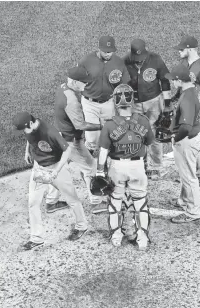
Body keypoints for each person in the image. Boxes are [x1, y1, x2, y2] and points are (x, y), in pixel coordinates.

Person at [13, 111, 88, 251]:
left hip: (56, 168)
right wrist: (27, 151)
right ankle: (36, 239)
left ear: (30, 123)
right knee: (33, 203)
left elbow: (67, 151)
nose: (24, 131)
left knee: (72, 198)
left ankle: (81, 226)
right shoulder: (30, 127)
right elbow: (29, 138)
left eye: (24, 128)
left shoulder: (49, 132)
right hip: (39, 169)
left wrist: (57, 170)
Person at [96, 84, 154, 250]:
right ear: (132, 100)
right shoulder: (143, 120)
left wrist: (100, 170)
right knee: (140, 202)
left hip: (117, 167)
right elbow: (149, 143)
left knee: (115, 201)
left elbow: (103, 151)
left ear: (115, 102)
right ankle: (142, 238)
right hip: (137, 166)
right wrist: (145, 162)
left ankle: (116, 235)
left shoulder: (109, 125)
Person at [78, 35, 130, 212]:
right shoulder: (86, 61)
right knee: (92, 144)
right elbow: (76, 81)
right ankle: (93, 191)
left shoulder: (117, 62)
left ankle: (107, 179)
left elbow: (125, 85)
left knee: (108, 141)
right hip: (90, 104)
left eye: (111, 51)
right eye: (106, 51)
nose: (108, 54)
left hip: (108, 103)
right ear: (98, 48)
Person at [45, 65, 106, 214]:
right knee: (91, 167)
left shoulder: (63, 88)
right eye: (83, 82)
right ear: (74, 82)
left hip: (58, 137)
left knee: (57, 171)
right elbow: (80, 125)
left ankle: (51, 202)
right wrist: (102, 126)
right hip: (70, 142)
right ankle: (96, 203)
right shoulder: (71, 100)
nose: (86, 85)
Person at [123, 39, 172, 180]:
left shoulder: (155, 59)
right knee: (136, 133)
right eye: (136, 59)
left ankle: (156, 167)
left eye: (141, 59)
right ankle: (140, 164)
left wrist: (167, 103)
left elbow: (165, 80)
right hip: (134, 103)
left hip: (154, 101)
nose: (138, 62)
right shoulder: (124, 61)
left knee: (154, 133)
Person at [173, 35, 200, 188]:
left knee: (194, 140)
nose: (179, 51)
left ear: (190, 49)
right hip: (187, 107)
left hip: (199, 109)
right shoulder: (184, 63)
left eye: (181, 49)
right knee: (194, 141)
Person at [165, 64, 200, 223]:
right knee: (186, 174)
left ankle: (192, 212)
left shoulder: (188, 97)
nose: (172, 83)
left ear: (179, 80)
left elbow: (186, 127)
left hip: (186, 140)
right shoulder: (196, 89)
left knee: (189, 177)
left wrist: (174, 138)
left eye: (173, 80)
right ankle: (183, 201)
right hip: (195, 136)